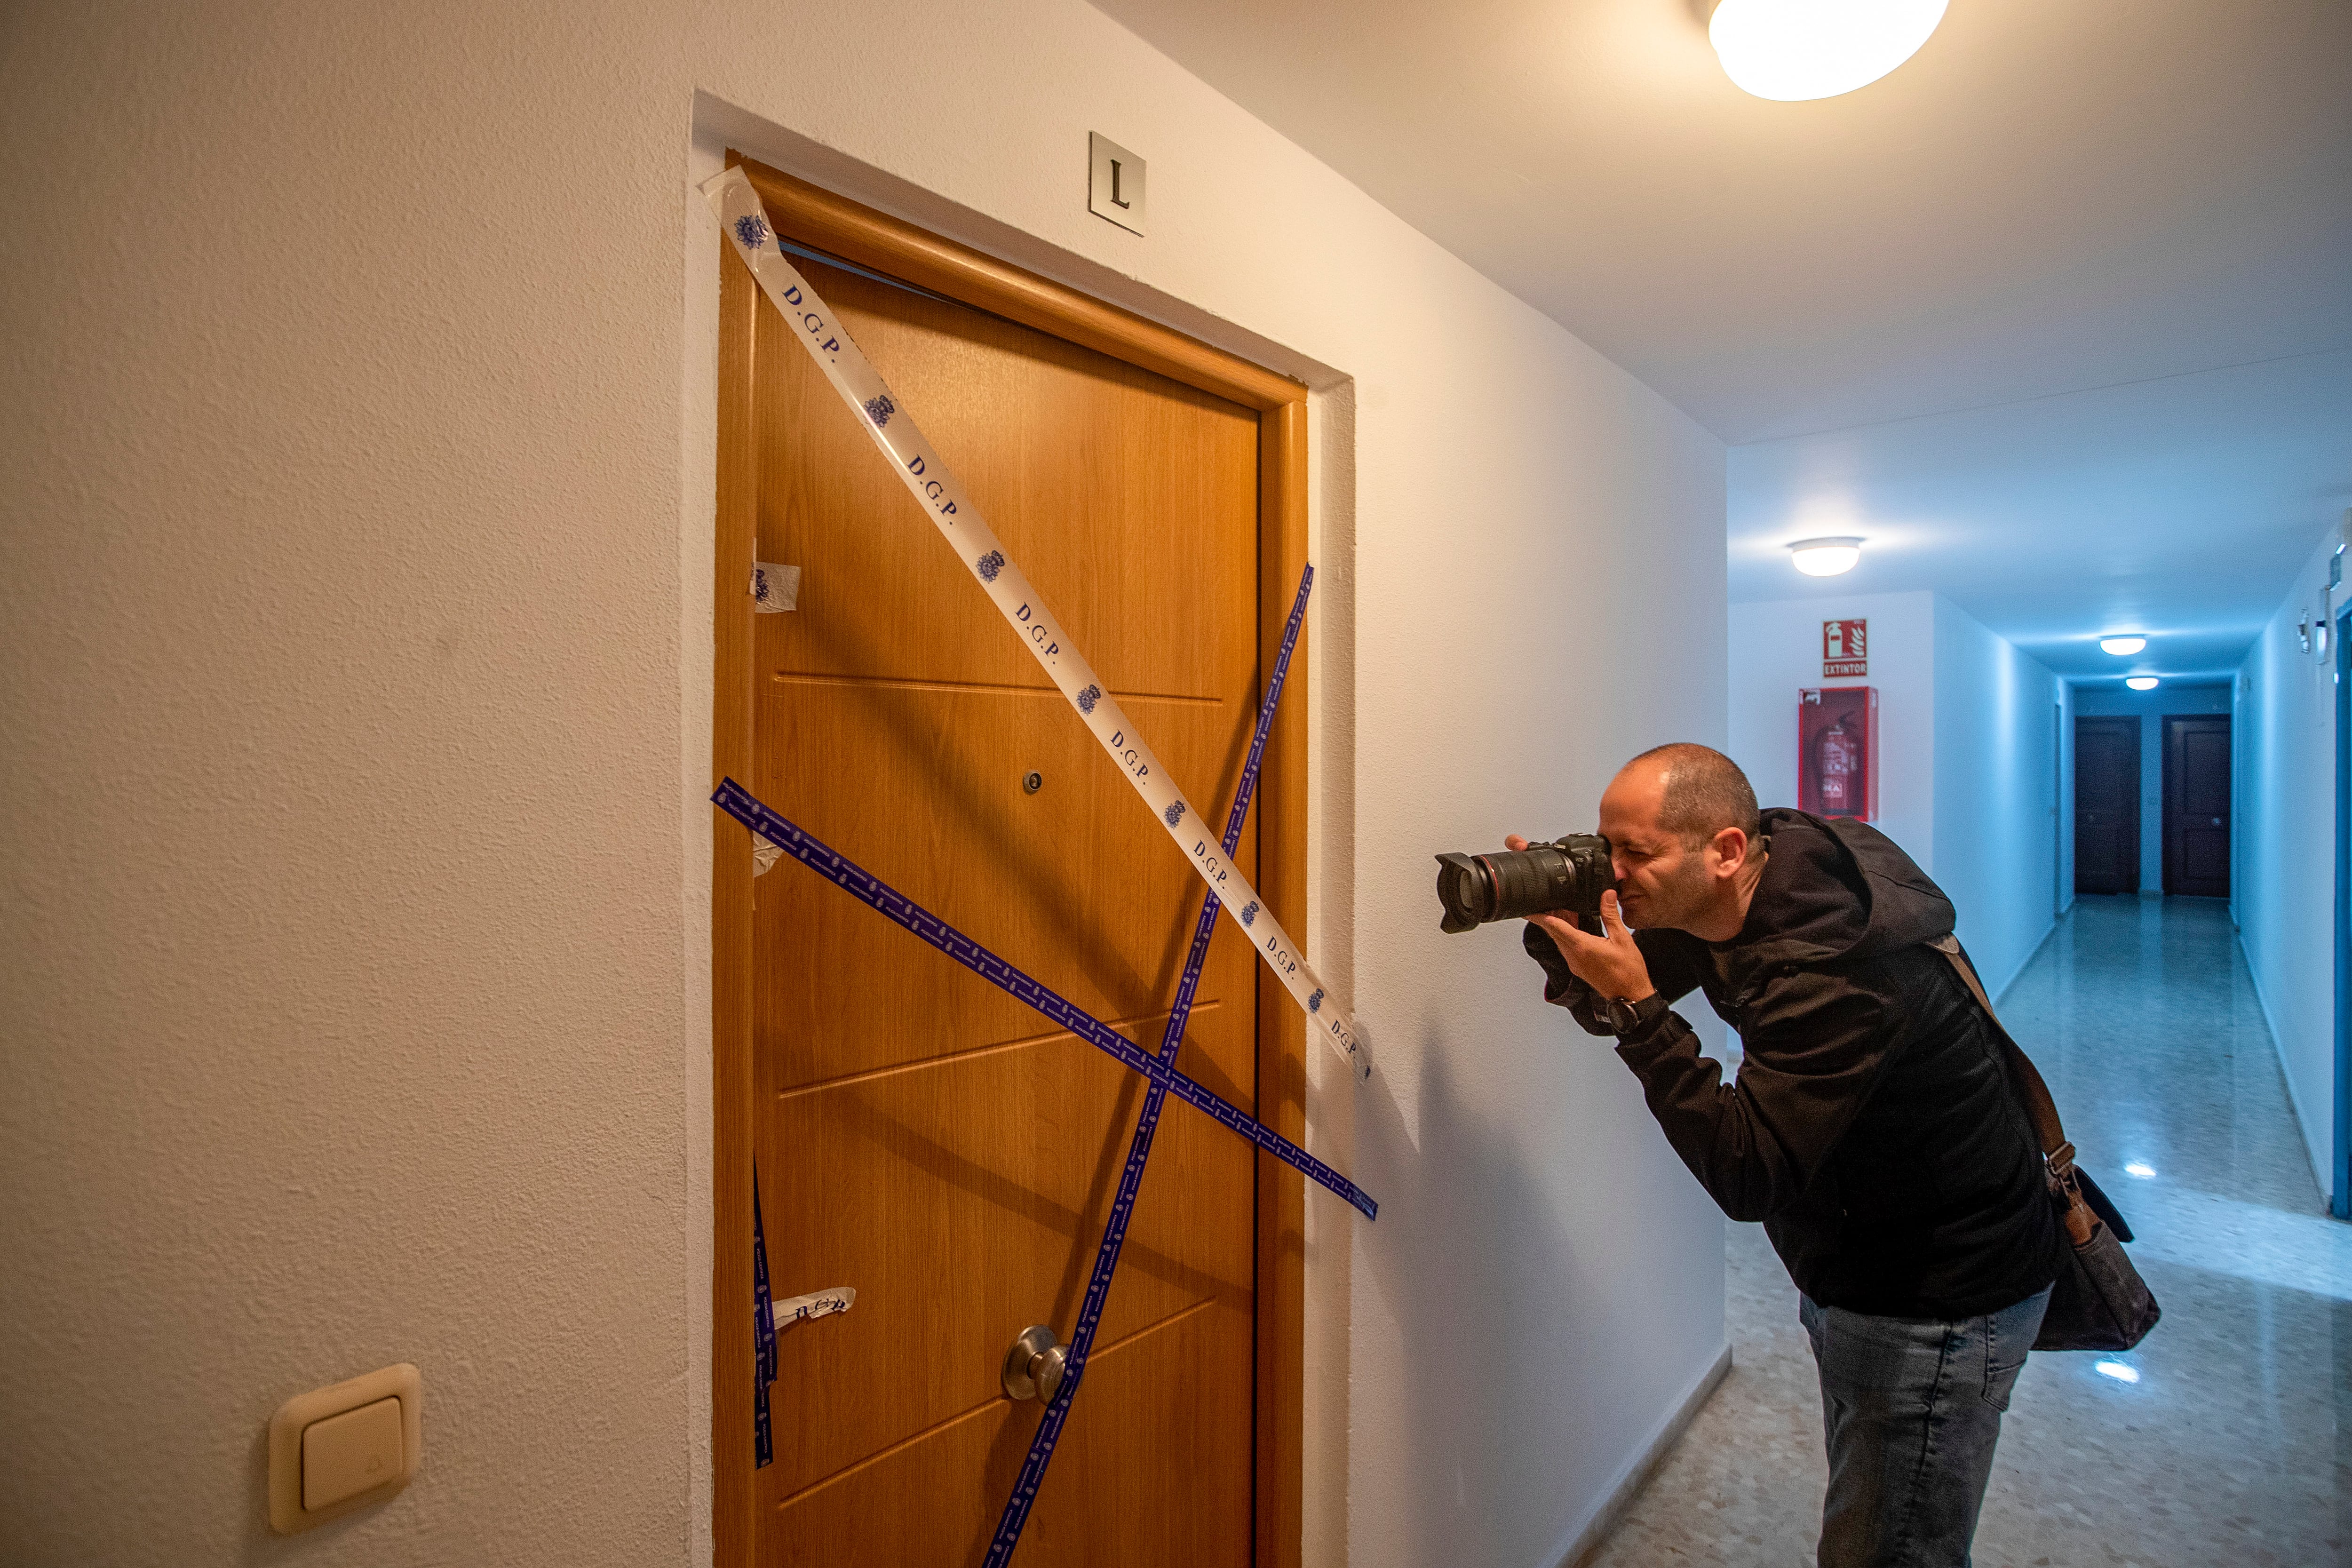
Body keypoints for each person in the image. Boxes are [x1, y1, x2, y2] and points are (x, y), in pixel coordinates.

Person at [1517, 742, 2064, 1568]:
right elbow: (1634, 970)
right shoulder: (1750, 885)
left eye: (1636, 852)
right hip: (1866, 1263)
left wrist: (1635, 1007)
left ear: (1727, 849)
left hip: (1940, 1299)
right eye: (1606, 846)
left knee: (1890, 1553)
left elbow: (1748, 1169)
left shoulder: (1841, 972)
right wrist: (1562, 911)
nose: (1616, 870)